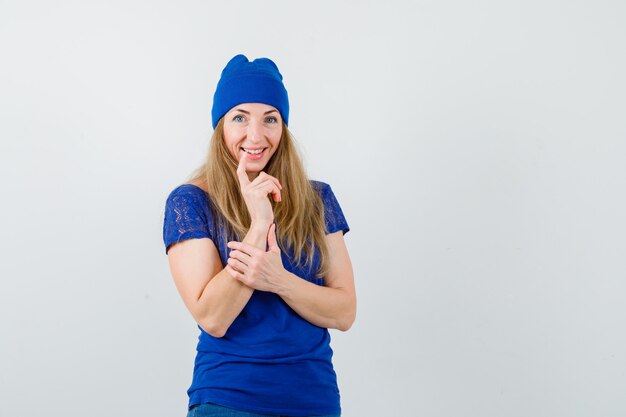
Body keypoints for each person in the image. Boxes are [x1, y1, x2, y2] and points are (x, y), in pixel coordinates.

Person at [162, 54, 356, 417]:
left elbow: (344, 312)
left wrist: (279, 281)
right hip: (229, 399)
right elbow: (213, 317)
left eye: (270, 118)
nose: (256, 135)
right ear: (220, 126)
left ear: (283, 127)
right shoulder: (190, 202)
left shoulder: (318, 199)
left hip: (314, 399)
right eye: (240, 118)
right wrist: (259, 224)